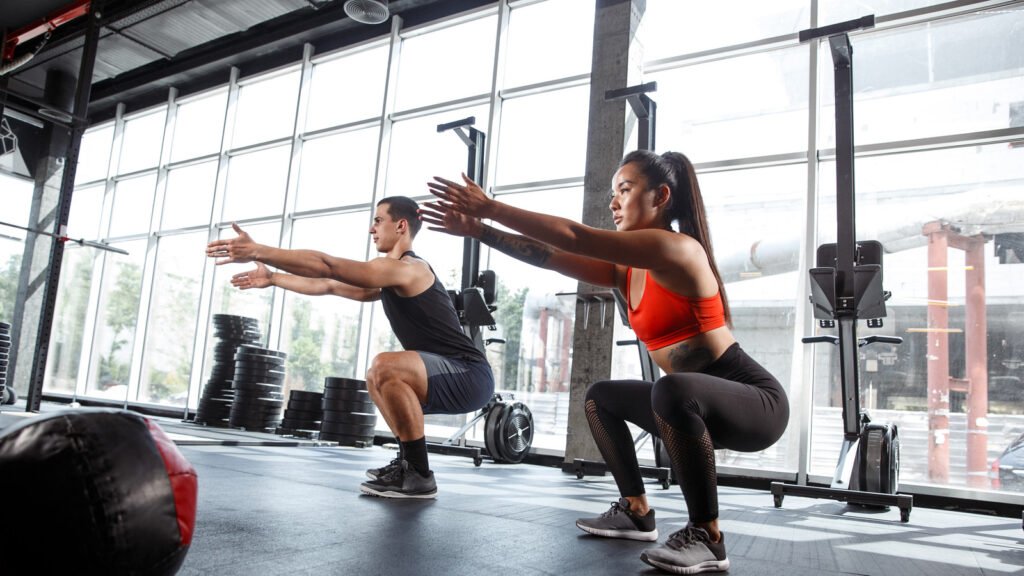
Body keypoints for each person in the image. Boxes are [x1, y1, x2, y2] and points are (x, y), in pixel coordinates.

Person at [422, 150, 789, 574]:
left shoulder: (677, 249)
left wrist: (491, 208)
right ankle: (636, 510)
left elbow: (575, 236)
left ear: (661, 196)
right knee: (601, 397)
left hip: (755, 403)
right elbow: (550, 255)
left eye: (625, 190)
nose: (613, 202)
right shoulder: (628, 270)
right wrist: (478, 230)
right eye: (612, 192)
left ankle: (708, 535)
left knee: (669, 388)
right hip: (691, 405)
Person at [206, 196, 494, 500]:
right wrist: (274, 277)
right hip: (445, 374)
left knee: (386, 365)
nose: (371, 228)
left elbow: (327, 266)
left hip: (469, 375)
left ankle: (420, 475)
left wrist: (258, 250)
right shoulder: (390, 276)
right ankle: (408, 464)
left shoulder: (411, 269)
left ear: (401, 226)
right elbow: (329, 284)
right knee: (375, 377)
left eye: (378, 220)